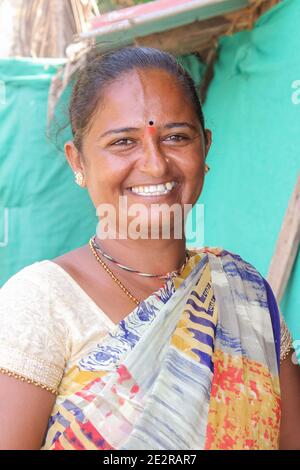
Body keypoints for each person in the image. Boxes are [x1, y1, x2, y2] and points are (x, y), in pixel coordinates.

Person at [0, 46, 299, 450]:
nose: (156, 165)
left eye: (176, 137)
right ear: (78, 161)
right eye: (123, 142)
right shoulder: (42, 304)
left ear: (205, 148)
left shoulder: (245, 298)